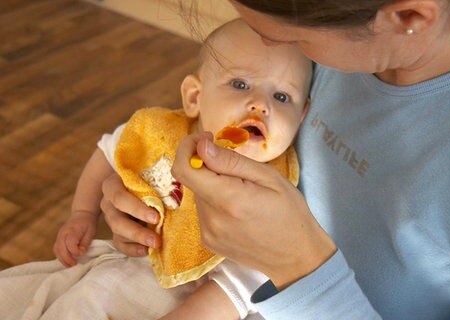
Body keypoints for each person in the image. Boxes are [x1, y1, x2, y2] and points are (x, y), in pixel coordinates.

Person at [101, 0, 450, 319]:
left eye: (296, 41)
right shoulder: (360, 33)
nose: (283, 56)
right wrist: (149, 180)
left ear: (408, 13)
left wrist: (301, 269)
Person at [53, 18, 312, 320]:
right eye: (240, 84)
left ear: (301, 117)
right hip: (144, 262)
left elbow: (245, 282)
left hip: (218, 304)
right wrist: (82, 214)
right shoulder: (162, 133)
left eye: (281, 97)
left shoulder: (276, 189)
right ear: (194, 97)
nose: (260, 104)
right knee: (86, 298)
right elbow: (109, 153)